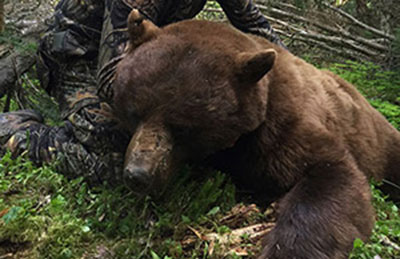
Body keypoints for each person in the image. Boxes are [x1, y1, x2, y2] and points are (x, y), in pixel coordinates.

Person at [0, 0, 284, 185]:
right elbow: (111, 77)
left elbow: (256, 27)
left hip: (143, 67)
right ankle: (17, 132)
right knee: (115, 158)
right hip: (76, 60)